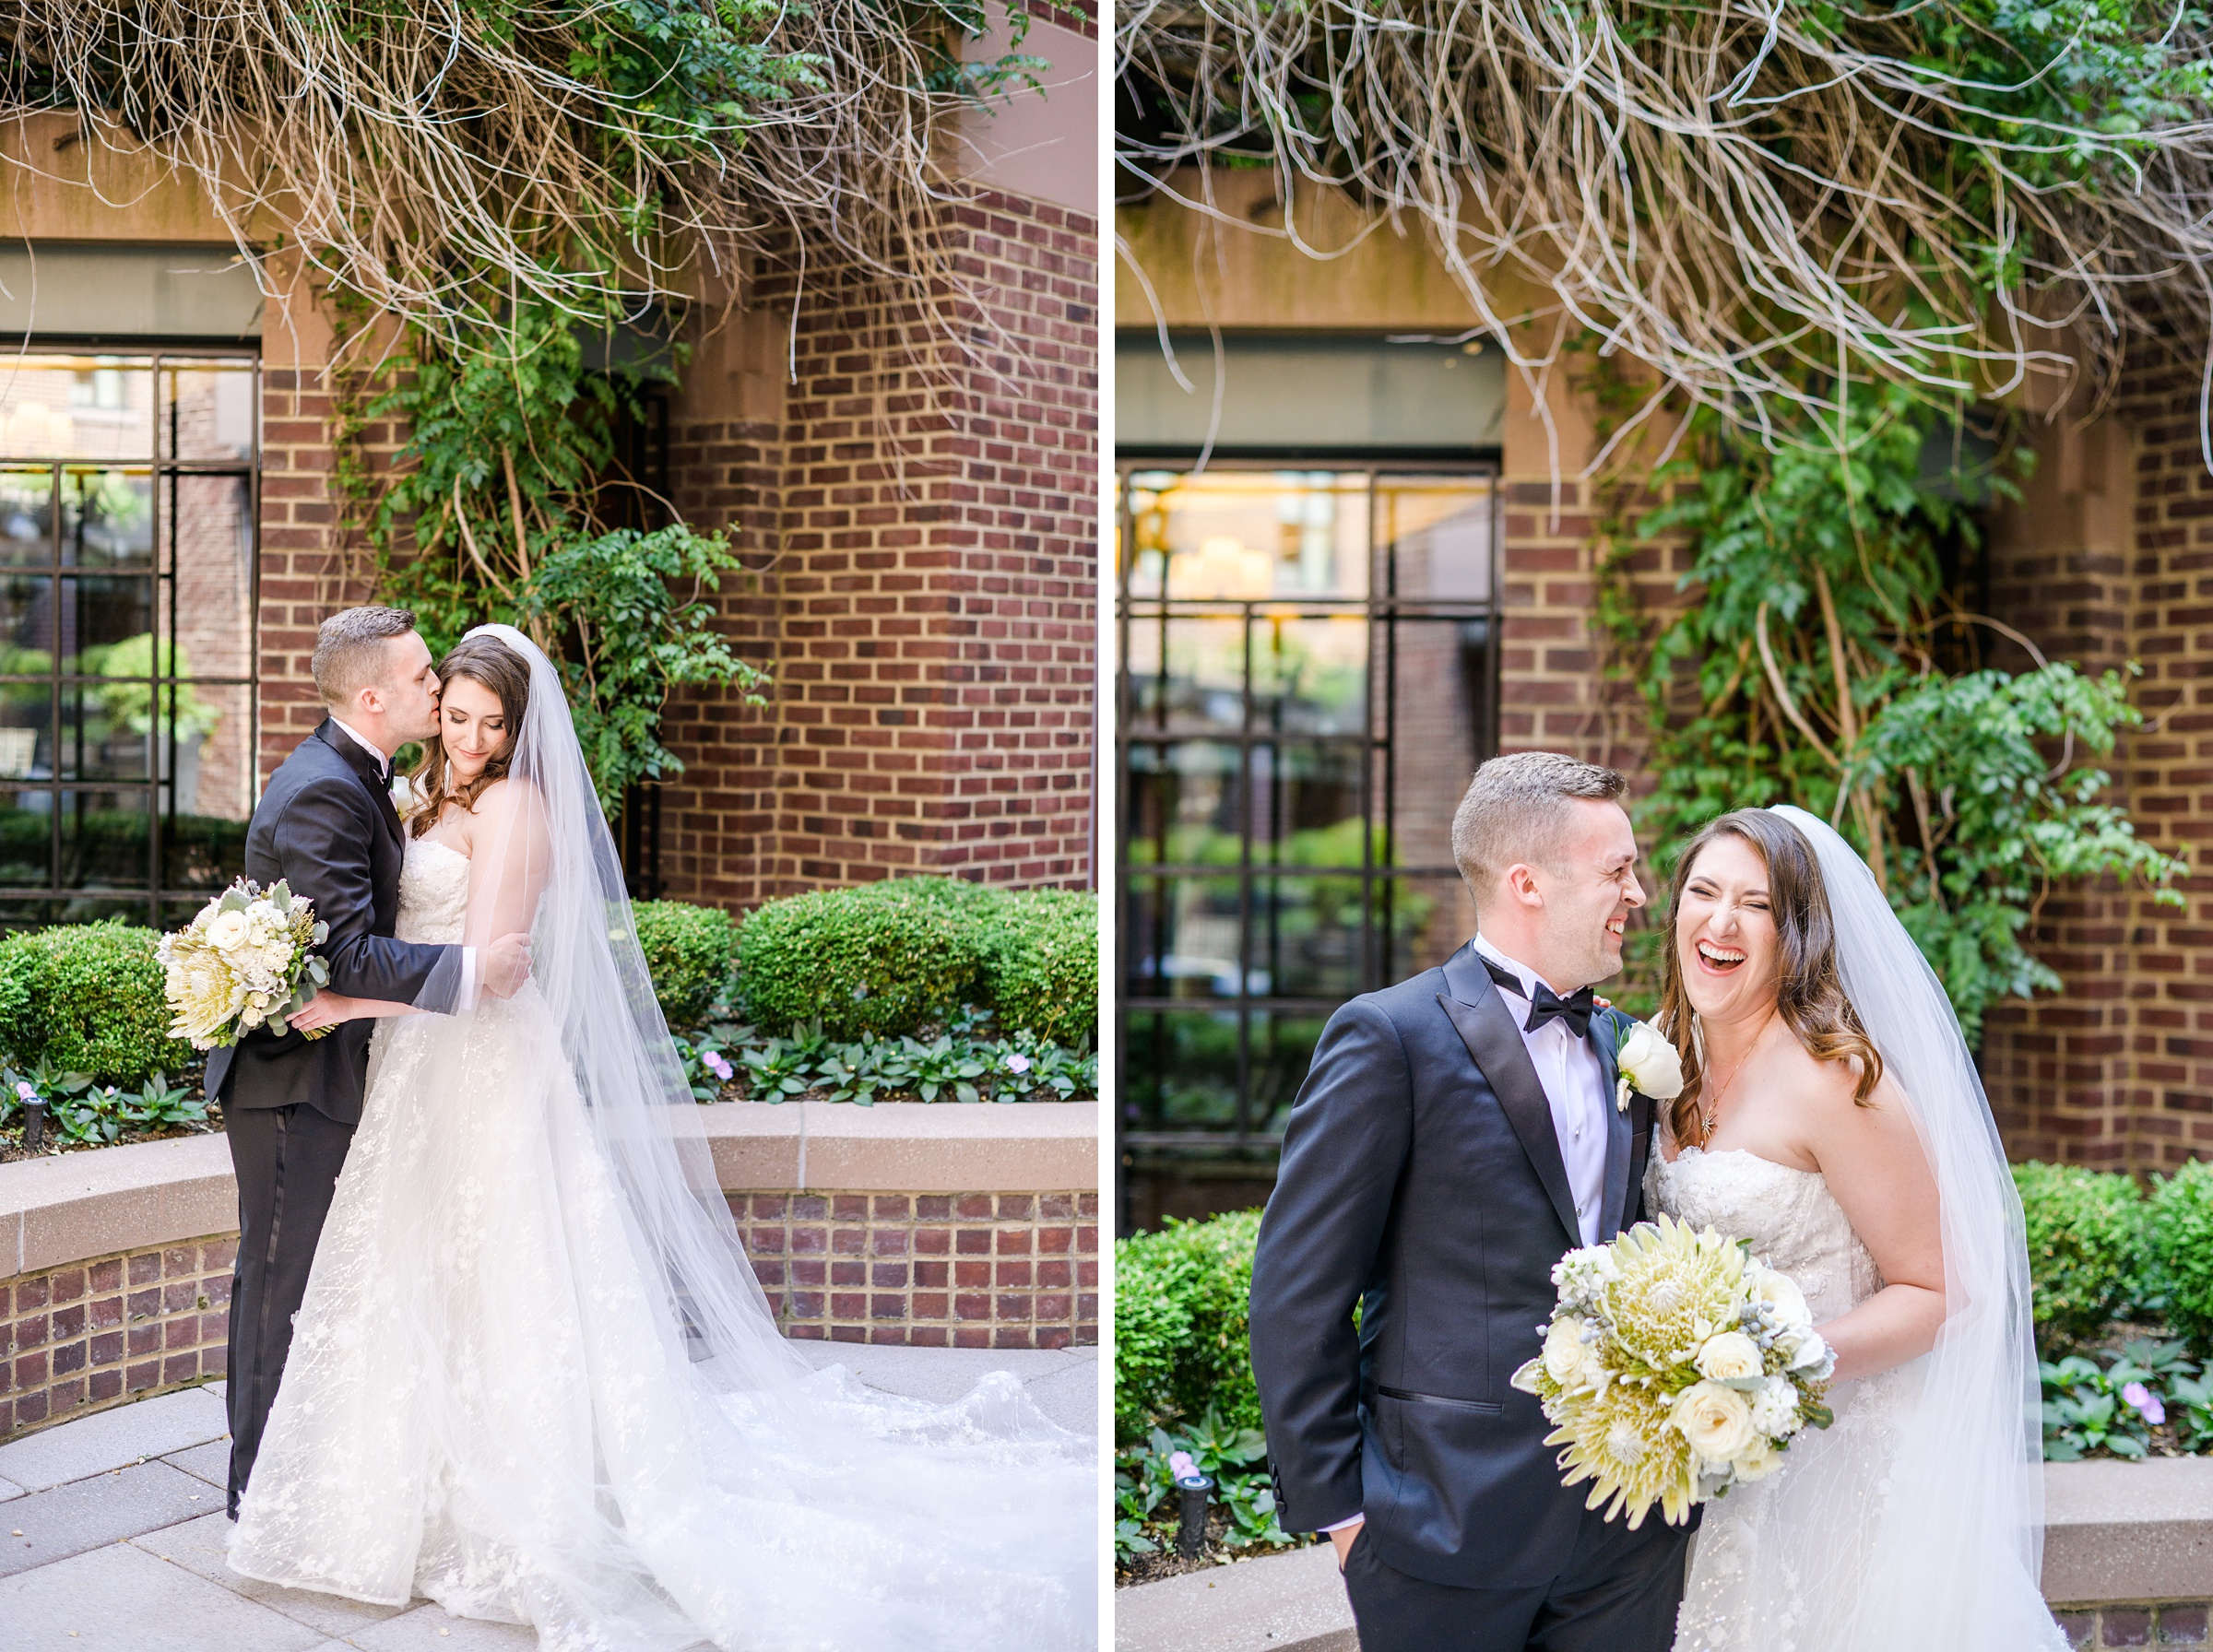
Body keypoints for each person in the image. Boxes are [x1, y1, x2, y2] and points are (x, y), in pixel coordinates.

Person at [225, 624, 1094, 1650]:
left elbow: (494, 971)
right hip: (417, 1079)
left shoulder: (513, 806)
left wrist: (360, 1010)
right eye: (448, 710)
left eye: (483, 721)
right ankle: (382, 1481)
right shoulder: (406, 792)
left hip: (480, 1063)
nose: (461, 733)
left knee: (502, 1275)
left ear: (517, 729)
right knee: (409, 1278)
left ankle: (506, 1493)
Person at [1249, 750, 1694, 1652]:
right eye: (1618, 870)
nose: (1640, 894)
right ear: (1528, 882)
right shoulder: (1390, 1037)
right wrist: (1346, 1516)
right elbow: (1296, 1290)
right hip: (1439, 1534)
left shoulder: (1627, 1044)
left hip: (1624, 1538)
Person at [1647, 806, 2065, 1651]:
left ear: (1795, 931)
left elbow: (1944, 1289)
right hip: (1699, 1475)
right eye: (1703, 892)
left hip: (1836, 1472)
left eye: (1756, 905)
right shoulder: (1655, 1054)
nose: (1722, 922)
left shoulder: (1837, 1082)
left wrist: (1780, 1372)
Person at [207, 607, 533, 1518]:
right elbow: (347, 953)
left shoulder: (366, 775)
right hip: (292, 1080)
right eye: (427, 678)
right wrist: (473, 969)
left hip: (354, 1065)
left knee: (321, 1279)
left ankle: (300, 1474)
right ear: (373, 694)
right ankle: (255, 1495)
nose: (439, 688)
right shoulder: (326, 788)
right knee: (280, 1284)